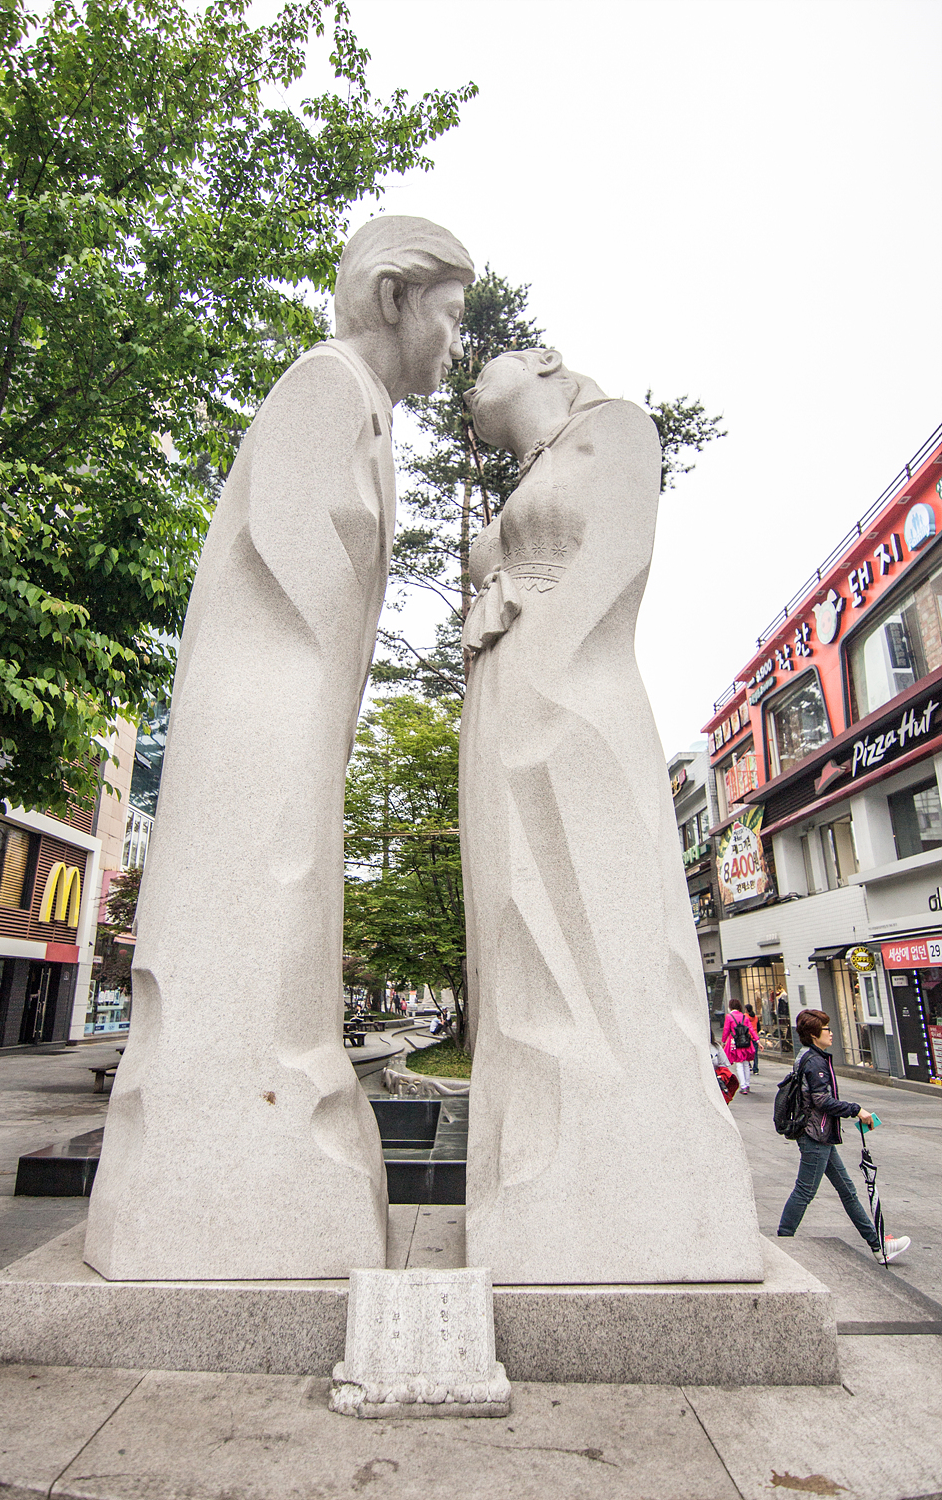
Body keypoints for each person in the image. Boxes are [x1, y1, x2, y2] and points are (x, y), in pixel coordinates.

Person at [85, 217, 475, 1282]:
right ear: (394, 297)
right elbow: (306, 574)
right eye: (449, 316)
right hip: (262, 725)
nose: (457, 343)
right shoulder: (325, 386)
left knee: (279, 925)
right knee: (252, 920)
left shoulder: (363, 406)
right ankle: (227, 1166)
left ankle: (259, 1141)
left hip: (290, 721)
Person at [457, 348, 762, 1286]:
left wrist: (542, 678)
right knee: (517, 918)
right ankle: (535, 1161)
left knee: (602, 911)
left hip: (570, 693)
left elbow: (618, 564)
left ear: (543, 362)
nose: (468, 380)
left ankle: (636, 1160)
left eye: (488, 365)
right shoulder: (531, 473)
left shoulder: (616, 429)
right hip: (502, 699)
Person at [777, 1009, 910, 1262]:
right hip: (816, 1135)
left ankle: (878, 1246)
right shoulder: (815, 1061)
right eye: (826, 1029)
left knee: (847, 1191)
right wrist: (856, 1109)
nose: (831, 1033)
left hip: (819, 1134)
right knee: (805, 1191)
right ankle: (782, 1241)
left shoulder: (807, 1055)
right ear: (814, 1035)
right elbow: (821, 1100)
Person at [722, 1001, 755, 1095]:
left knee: (739, 1064)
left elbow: (726, 1030)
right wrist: (757, 1040)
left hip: (735, 1042)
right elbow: (751, 1029)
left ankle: (743, 1086)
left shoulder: (729, 1016)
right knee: (746, 1064)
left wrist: (723, 1041)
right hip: (746, 1042)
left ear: (730, 1007)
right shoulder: (744, 1016)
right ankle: (747, 1085)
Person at [744, 1003, 761, 1075]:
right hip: (755, 1037)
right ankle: (756, 1069)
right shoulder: (756, 1017)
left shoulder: (745, 1016)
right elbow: (759, 1027)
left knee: (746, 1052)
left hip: (747, 1037)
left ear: (746, 1009)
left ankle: (748, 1065)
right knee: (755, 1054)